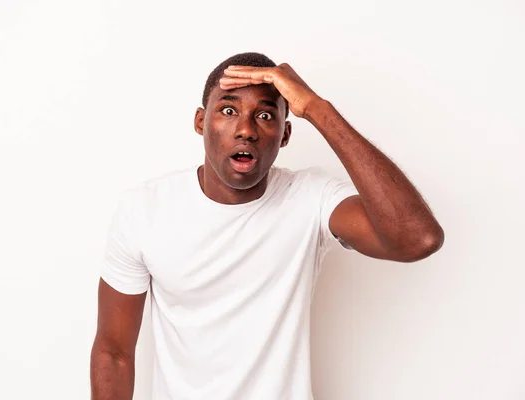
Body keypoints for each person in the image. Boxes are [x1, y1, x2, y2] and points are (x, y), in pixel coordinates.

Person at [90, 52, 444, 400]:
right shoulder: (144, 209)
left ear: (285, 134)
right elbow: (114, 352)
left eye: (264, 115)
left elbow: (417, 238)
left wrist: (318, 109)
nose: (246, 130)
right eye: (228, 111)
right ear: (200, 121)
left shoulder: (312, 198)